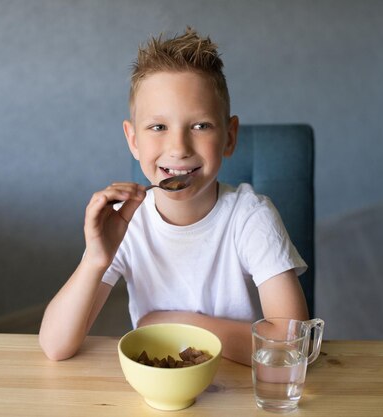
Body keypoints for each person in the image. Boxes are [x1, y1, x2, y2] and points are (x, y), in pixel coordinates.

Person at [39, 28, 309, 366]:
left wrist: (176, 323)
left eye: (200, 126)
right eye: (158, 127)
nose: (179, 148)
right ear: (133, 139)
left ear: (229, 137)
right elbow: (55, 346)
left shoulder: (251, 216)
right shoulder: (125, 222)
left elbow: (292, 344)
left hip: (238, 385)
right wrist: (95, 259)